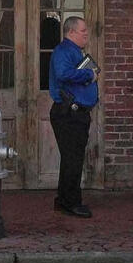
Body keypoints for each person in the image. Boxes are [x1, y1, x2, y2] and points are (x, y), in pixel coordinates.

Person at [48, 16, 98, 218]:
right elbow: (62, 73)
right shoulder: (63, 51)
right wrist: (89, 75)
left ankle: (64, 200)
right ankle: (71, 203)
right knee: (73, 159)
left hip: (75, 114)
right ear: (71, 32)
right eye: (83, 31)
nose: (86, 34)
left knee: (72, 158)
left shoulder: (74, 51)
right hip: (69, 114)